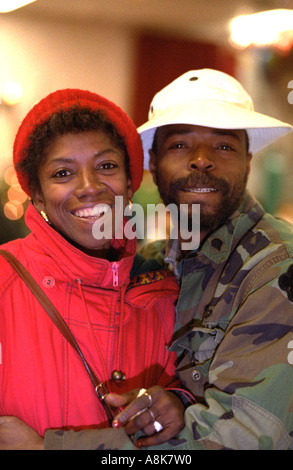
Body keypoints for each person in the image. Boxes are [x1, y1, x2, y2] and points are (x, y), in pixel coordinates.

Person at [110, 68, 293, 450]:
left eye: (224, 146)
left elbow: (241, 438)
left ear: (248, 160)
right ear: (153, 162)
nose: (201, 160)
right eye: (179, 145)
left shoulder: (277, 265)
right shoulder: (151, 263)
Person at [0, 88, 191, 450]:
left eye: (106, 166)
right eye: (62, 173)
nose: (89, 187)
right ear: (37, 196)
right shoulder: (5, 281)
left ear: (130, 184)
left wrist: (181, 402)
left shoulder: (170, 289)